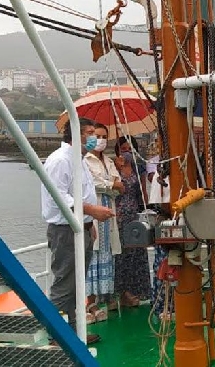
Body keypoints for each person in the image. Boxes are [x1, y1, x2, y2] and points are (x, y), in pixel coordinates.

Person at [41, 117, 115, 344]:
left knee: (77, 283)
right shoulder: (60, 161)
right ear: (75, 134)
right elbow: (60, 197)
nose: (94, 138)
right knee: (64, 284)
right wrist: (92, 212)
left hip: (79, 227)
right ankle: (57, 335)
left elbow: (81, 195)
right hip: (65, 231)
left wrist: (88, 223)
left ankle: (74, 332)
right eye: (90, 132)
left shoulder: (78, 159)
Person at [83, 123, 125, 321]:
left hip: (109, 210)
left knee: (107, 253)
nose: (100, 140)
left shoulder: (109, 161)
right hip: (94, 209)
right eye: (96, 135)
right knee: (93, 254)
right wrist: (111, 184)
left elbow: (119, 185)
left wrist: (111, 185)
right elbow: (93, 183)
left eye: (103, 136)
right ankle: (89, 302)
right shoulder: (85, 160)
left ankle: (104, 297)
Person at [113, 141, 151, 307]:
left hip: (134, 214)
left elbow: (142, 190)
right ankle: (122, 293)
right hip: (118, 215)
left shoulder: (137, 166)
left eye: (130, 149)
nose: (127, 152)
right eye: (123, 149)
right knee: (122, 256)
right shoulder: (112, 167)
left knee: (137, 253)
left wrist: (146, 210)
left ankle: (137, 291)